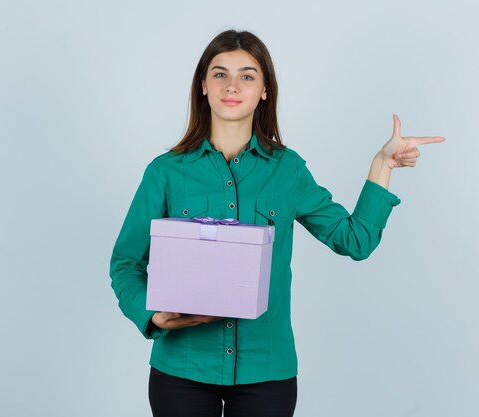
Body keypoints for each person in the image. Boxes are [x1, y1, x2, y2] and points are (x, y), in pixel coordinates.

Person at [109, 29, 444, 417]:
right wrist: (150, 316)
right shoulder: (165, 172)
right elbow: (126, 263)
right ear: (202, 85)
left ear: (265, 90)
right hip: (181, 370)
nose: (232, 85)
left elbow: (356, 240)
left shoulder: (288, 171)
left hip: (266, 373)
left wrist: (382, 166)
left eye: (247, 75)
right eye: (219, 74)